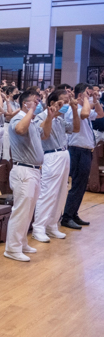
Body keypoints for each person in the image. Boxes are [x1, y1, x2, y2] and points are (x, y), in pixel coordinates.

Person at [3, 90, 51, 262]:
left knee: (28, 210)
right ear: (25, 104)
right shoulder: (19, 118)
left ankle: (21, 242)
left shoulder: (31, 120)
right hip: (23, 169)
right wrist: (30, 111)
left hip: (34, 170)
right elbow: (19, 129)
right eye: (34, 101)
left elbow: (44, 135)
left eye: (38, 101)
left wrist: (49, 117)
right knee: (21, 211)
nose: (38, 104)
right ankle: (12, 249)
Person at [31, 89, 78, 243]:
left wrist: (75, 110)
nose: (66, 104)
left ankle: (52, 224)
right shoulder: (42, 116)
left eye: (67, 101)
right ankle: (39, 227)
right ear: (52, 103)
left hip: (64, 154)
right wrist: (51, 115)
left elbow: (76, 128)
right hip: (50, 155)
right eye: (63, 101)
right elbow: (41, 133)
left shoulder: (60, 119)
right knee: (48, 192)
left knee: (61, 192)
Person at [61, 84, 104, 229]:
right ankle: (66, 217)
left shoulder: (83, 107)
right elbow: (85, 114)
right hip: (77, 150)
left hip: (86, 150)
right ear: (80, 95)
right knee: (77, 184)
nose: (91, 95)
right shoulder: (74, 109)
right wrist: (86, 99)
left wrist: (96, 101)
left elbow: (100, 114)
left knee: (81, 185)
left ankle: (73, 213)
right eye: (88, 93)